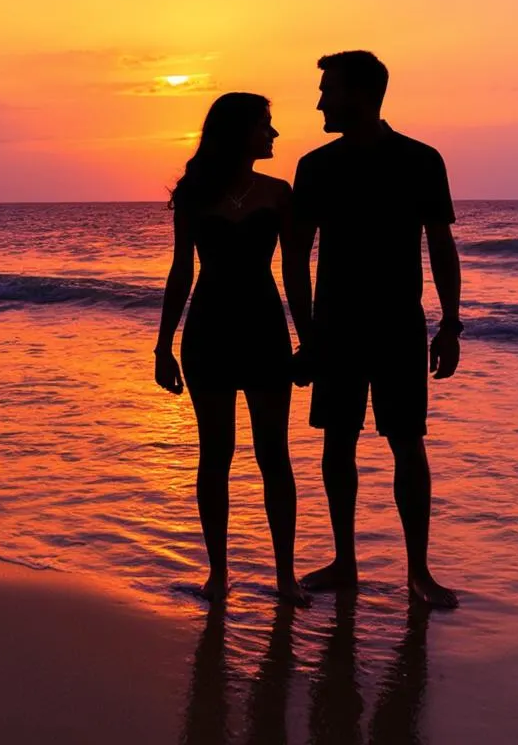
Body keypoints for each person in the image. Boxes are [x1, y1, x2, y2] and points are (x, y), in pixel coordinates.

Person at [290, 51, 462, 608]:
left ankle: (419, 571)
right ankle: (345, 561)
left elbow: (441, 244)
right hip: (336, 326)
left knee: (407, 443)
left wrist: (451, 323)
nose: (320, 100)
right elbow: (293, 257)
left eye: (329, 90)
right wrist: (307, 334)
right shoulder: (315, 166)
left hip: (398, 326)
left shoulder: (420, 160)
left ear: (361, 94)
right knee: (337, 442)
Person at [154, 93, 311, 604]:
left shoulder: (279, 193)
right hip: (209, 331)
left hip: (265, 330)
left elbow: (293, 272)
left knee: (274, 455)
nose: (274, 134)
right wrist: (163, 345)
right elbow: (182, 270)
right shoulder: (194, 193)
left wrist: (308, 340)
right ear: (239, 131)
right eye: (266, 125)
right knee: (214, 455)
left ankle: (285, 575)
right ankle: (218, 573)